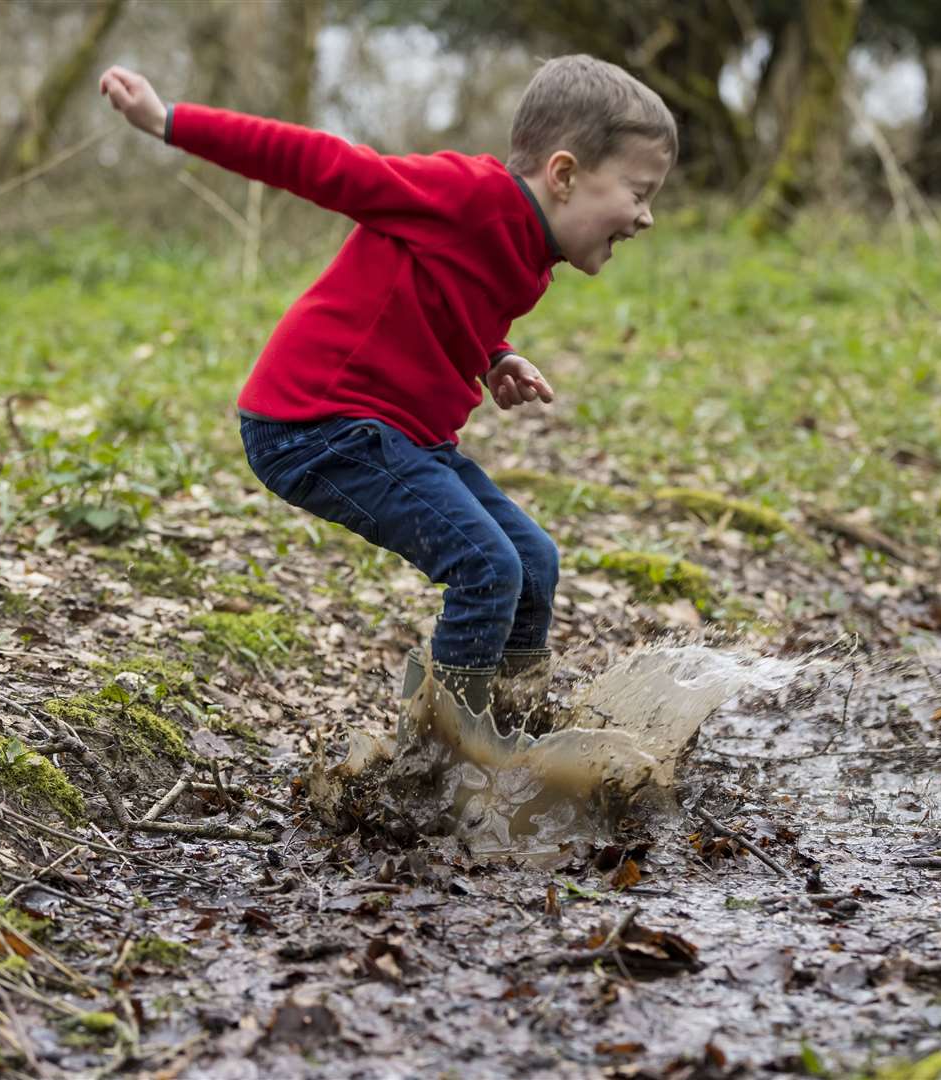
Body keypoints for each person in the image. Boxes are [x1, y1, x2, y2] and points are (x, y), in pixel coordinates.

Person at [99, 54, 675, 736]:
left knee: (532, 563)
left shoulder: (530, 244)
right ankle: (440, 760)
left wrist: (495, 356)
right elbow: (317, 161)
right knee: (486, 568)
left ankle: (510, 729)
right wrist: (168, 121)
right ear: (565, 174)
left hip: (397, 433)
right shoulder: (461, 194)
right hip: (314, 421)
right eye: (639, 194)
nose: (646, 219)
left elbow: (451, 293)